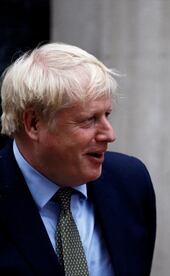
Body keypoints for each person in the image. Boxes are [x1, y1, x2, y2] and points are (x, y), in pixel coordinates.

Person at [0, 42, 156, 275]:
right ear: (33, 123)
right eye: (89, 120)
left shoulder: (131, 183)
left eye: (107, 115)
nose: (110, 135)